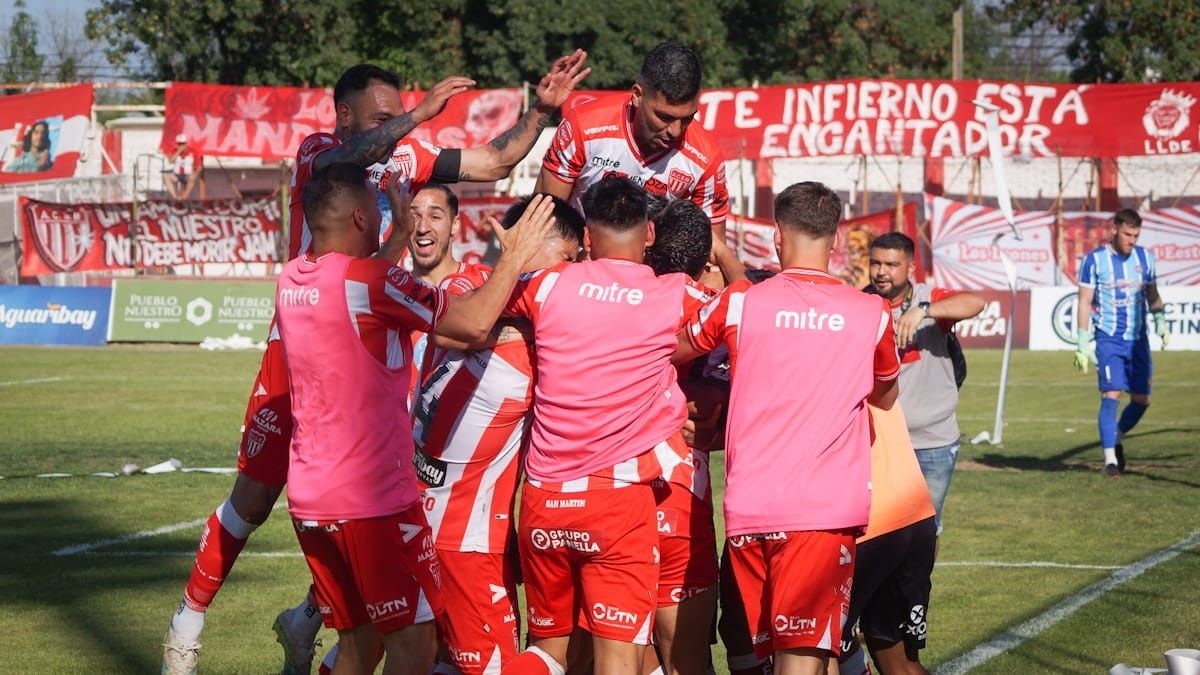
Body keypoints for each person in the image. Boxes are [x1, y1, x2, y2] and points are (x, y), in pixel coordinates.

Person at [161, 53, 588, 675]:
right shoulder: (320, 155)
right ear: (344, 115)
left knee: (383, 509)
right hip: (312, 347)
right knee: (253, 502)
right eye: (381, 117)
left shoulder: (394, 178)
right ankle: (188, 622)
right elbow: (347, 170)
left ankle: (311, 616)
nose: (399, 129)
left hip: (373, 325)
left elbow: (494, 160)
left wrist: (542, 112)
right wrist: (419, 116)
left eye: (399, 115)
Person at [274, 162, 558, 675]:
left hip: (310, 500)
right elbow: (470, 324)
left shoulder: (294, 279)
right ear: (362, 217)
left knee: (360, 645)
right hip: (372, 501)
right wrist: (513, 257)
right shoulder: (376, 282)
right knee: (416, 646)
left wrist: (398, 236)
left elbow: (355, 279)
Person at [675, 181, 900, 675]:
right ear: (835, 240)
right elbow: (885, 394)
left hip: (749, 513)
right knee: (802, 663)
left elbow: (670, 348)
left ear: (777, 237)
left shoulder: (738, 304)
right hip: (819, 516)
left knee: (775, 661)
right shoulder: (871, 313)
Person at [501, 176, 695, 675]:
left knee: (548, 652)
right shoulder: (675, 294)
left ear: (586, 238)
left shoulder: (546, 285)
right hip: (617, 500)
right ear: (650, 234)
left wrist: (511, 260)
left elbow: (484, 306)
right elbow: (743, 319)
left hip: (542, 500)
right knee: (618, 657)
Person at [412, 195, 583, 675]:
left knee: (437, 659)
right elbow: (452, 328)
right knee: (538, 658)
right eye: (568, 259)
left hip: (455, 524)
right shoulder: (469, 287)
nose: (573, 272)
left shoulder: (531, 320)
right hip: (463, 536)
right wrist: (513, 325)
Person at [536, 41, 728, 235]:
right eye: (665, 117)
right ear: (637, 95)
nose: (676, 131)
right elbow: (542, 226)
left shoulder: (707, 158)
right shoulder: (583, 126)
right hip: (579, 258)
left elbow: (712, 251)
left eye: (687, 118)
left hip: (652, 264)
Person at [866, 232, 984, 537]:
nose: (881, 271)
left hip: (933, 441)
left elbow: (975, 302)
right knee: (875, 530)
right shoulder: (861, 304)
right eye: (875, 263)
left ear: (910, 267)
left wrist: (925, 310)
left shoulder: (927, 296)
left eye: (892, 264)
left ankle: (919, 587)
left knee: (926, 529)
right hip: (879, 443)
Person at [837, 404, 937, 675]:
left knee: (814, 654)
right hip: (913, 509)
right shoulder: (875, 361)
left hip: (860, 518)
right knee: (901, 663)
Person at [1075, 208, 1168, 478]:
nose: (1132, 240)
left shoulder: (1145, 258)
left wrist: (1161, 321)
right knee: (1111, 394)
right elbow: (1083, 301)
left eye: (1136, 235)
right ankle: (1110, 461)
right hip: (1109, 338)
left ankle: (1115, 436)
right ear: (1114, 228)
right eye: (1128, 234)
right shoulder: (1095, 260)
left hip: (1138, 340)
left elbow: (1153, 295)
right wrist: (1082, 342)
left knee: (1142, 399)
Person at [164, 134, 204, 200]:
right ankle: (175, 197)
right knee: (166, 177)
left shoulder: (193, 151)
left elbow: (199, 167)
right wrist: (178, 151)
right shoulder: (174, 151)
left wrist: (195, 174)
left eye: (183, 144)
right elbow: (171, 161)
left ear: (186, 143)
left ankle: (185, 197)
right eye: (179, 144)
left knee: (191, 178)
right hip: (177, 175)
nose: (181, 146)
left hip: (188, 175)